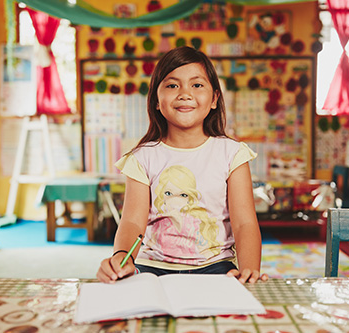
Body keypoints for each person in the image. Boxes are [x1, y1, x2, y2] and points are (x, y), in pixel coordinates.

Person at [97, 46, 268, 284]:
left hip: (216, 266)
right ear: (157, 100)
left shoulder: (232, 154)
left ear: (215, 99)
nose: (184, 93)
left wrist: (249, 269)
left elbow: (244, 223)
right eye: (172, 85)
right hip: (152, 267)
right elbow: (132, 221)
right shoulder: (141, 157)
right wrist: (121, 257)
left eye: (197, 85)